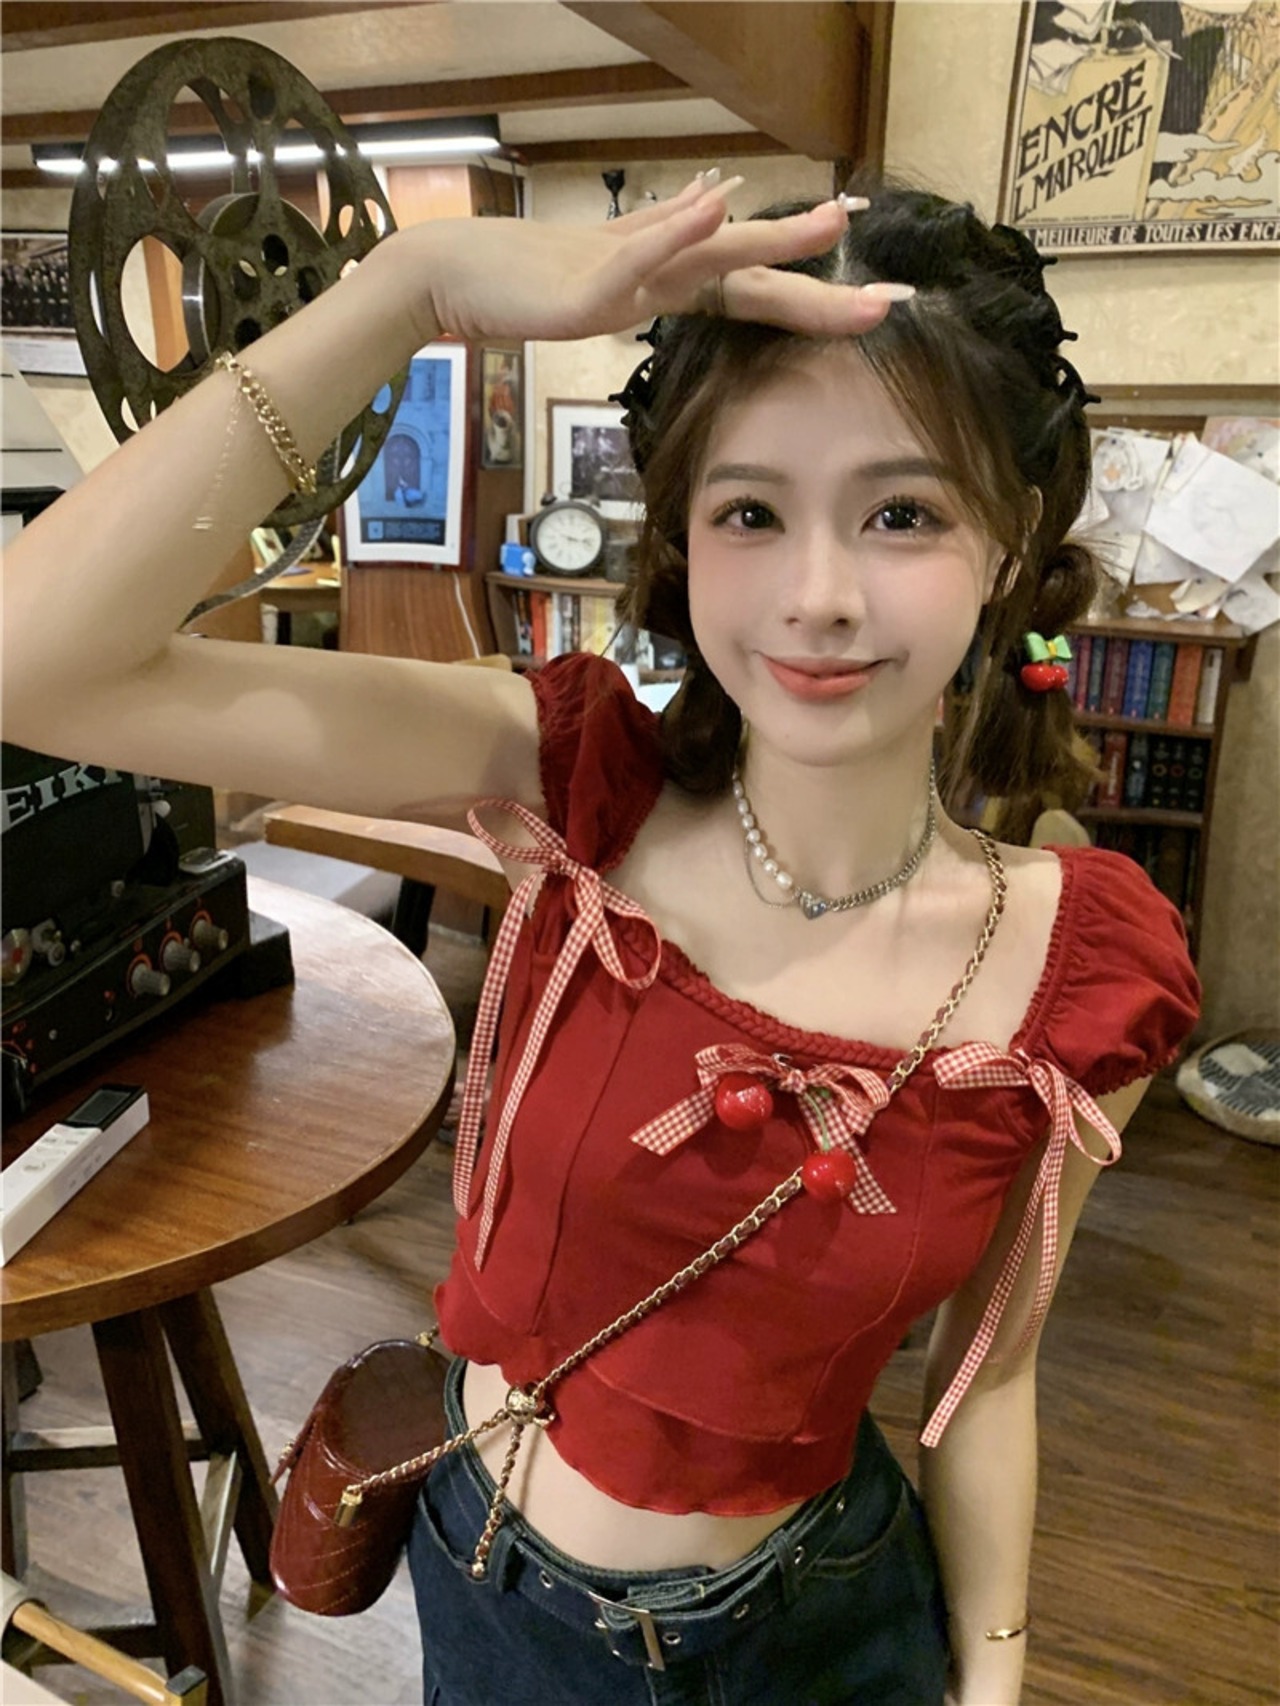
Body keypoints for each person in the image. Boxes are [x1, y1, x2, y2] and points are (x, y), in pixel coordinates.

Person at [2, 171, 1199, 1706]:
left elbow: (993, 1371)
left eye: (902, 512)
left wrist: (998, 1672)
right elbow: (34, 661)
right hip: (492, 1598)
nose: (819, 595)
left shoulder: (1078, 981)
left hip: (819, 1636)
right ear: (685, 535)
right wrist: (414, 287)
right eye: (751, 510)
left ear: (1012, 534)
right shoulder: (576, 787)